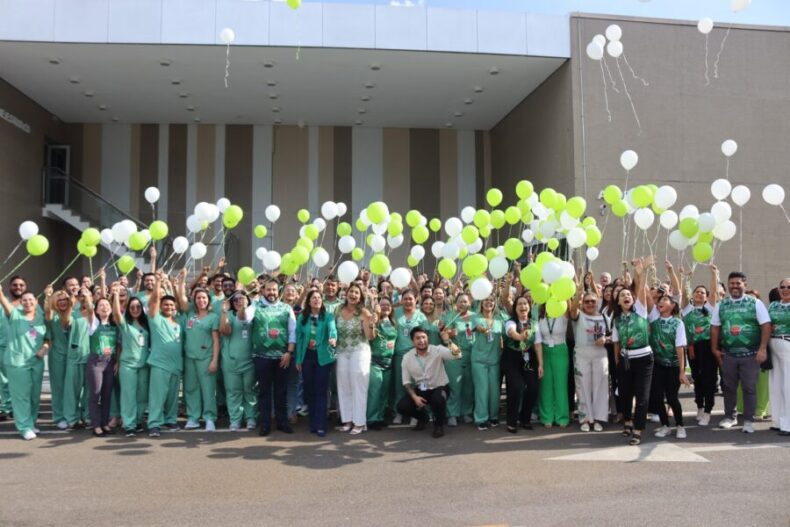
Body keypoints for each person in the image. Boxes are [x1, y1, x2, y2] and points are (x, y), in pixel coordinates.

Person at [711, 271, 771, 434]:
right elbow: (715, 327)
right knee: (729, 387)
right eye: (732, 283)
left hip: (751, 354)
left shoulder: (755, 303)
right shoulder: (721, 305)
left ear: (745, 285)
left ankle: (749, 421)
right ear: (728, 285)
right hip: (729, 354)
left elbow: (766, 325)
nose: (735, 286)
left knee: (749, 388)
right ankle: (730, 417)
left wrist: (762, 349)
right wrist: (714, 348)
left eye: (738, 283)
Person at [612, 258, 653, 445]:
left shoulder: (641, 310)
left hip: (644, 359)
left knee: (642, 396)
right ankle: (627, 421)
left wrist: (642, 270)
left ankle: (638, 429)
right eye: (622, 295)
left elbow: (641, 287)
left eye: (628, 294)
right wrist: (618, 362)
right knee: (625, 393)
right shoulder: (616, 320)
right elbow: (616, 343)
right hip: (625, 360)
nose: (626, 297)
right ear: (618, 301)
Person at [0, 285, 49, 440]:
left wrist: (45, 347)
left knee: (34, 395)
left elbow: (48, 337)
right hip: (18, 362)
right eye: (25, 300)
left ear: (36, 301)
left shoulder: (41, 317)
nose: (28, 302)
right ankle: (24, 427)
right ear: (20, 303)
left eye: (31, 300)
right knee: (21, 396)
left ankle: (31, 422)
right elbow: (5, 304)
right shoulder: (15, 315)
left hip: (36, 361)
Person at [397, 326, 461, 438]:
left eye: (424, 337)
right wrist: (415, 397)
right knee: (402, 406)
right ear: (412, 341)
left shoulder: (437, 350)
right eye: (418, 338)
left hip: (440, 387)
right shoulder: (407, 357)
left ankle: (439, 425)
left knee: (438, 399)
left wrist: (448, 341)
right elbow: (406, 382)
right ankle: (423, 417)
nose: (421, 341)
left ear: (428, 339)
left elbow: (458, 354)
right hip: (422, 388)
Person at [251, 278, 296, 436]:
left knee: (281, 391)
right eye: (268, 289)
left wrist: (289, 352)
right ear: (263, 290)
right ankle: (265, 424)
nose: (271, 293)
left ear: (279, 291)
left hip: (282, 357)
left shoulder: (286, 308)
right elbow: (244, 318)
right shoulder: (255, 306)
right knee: (264, 392)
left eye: (274, 290)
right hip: (261, 356)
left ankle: (282, 422)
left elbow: (292, 331)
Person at [146, 273, 186, 438]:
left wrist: (176, 285)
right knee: (157, 396)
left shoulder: (179, 322)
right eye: (166, 305)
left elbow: (182, 303)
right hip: (160, 364)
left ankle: (170, 420)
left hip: (176, 365)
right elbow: (154, 300)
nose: (169, 307)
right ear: (161, 306)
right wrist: (158, 283)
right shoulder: (155, 319)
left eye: (171, 305)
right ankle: (154, 424)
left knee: (172, 397)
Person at [295, 290, 337, 437]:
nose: (317, 300)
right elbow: (299, 338)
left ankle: (321, 424)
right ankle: (313, 422)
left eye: (319, 297)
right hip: (307, 356)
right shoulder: (303, 317)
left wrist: (333, 338)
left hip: (322, 357)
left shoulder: (328, 316)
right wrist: (298, 359)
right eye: (314, 298)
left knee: (321, 391)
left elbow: (332, 329)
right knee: (309, 391)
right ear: (309, 301)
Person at [681, 264, 719, 426]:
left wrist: (714, 274)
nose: (699, 294)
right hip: (692, 348)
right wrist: (686, 278)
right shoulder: (687, 309)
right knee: (697, 378)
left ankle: (708, 411)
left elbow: (714, 291)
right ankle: (700, 407)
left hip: (708, 346)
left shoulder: (710, 308)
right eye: (697, 292)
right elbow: (683, 294)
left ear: (706, 297)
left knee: (709, 379)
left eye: (702, 292)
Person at [334, 283, 375, 435]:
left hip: (359, 351)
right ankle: (347, 421)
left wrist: (371, 324)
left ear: (360, 297)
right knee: (343, 386)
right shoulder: (338, 309)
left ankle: (359, 422)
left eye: (357, 293)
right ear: (346, 294)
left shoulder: (364, 312)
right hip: (341, 351)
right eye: (351, 291)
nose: (353, 295)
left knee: (358, 387)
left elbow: (370, 336)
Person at [649, 294, 690, 439]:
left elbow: (680, 348)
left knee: (672, 398)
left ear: (673, 305)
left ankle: (680, 426)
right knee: (657, 397)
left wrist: (682, 372)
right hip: (657, 365)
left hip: (673, 366)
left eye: (664, 300)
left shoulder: (678, 323)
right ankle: (665, 426)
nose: (660, 302)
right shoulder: (653, 320)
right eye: (659, 300)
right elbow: (646, 295)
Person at [179, 287, 220, 431]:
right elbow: (182, 300)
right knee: (191, 389)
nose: (201, 300)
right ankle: (193, 417)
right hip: (190, 358)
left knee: (208, 390)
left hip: (206, 358)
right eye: (198, 298)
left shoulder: (213, 317)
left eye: (204, 298)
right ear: (194, 300)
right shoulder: (190, 314)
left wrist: (214, 360)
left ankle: (209, 418)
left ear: (208, 300)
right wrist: (181, 282)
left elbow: (216, 341)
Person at [112, 287, 150, 437]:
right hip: (128, 365)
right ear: (128, 309)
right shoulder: (125, 324)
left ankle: (138, 420)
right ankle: (129, 424)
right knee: (128, 395)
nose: (135, 309)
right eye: (132, 307)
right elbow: (116, 314)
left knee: (142, 395)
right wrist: (116, 295)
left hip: (144, 365)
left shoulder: (146, 325)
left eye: (138, 307)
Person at [503, 293, 543, 433]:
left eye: (525, 303)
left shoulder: (534, 323)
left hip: (528, 357)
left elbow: (537, 345)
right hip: (511, 357)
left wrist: (541, 364)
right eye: (519, 304)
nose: (523, 306)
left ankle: (525, 418)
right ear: (515, 308)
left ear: (529, 307)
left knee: (533, 387)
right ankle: (511, 421)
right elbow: (511, 332)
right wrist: (520, 336)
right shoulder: (510, 322)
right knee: (517, 387)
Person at [569, 290, 608, 432]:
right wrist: (579, 292)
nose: (590, 304)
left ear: (597, 302)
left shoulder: (604, 317)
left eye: (593, 301)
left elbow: (614, 335)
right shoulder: (578, 315)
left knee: (600, 387)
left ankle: (597, 418)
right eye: (587, 301)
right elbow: (572, 309)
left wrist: (606, 339)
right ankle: (585, 419)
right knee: (582, 387)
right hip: (581, 355)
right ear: (582, 304)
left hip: (600, 355)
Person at [219, 291, 258, 431]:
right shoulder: (228, 315)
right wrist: (224, 312)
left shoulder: (251, 314)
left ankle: (251, 417)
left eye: (242, 299)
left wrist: (244, 307)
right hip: (230, 361)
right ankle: (235, 419)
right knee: (233, 391)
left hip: (249, 361)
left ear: (247, 300)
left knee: (250, 390)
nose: (238, 301)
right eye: (235, 300)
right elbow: (225, 331)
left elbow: (243, 317)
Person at [391, 289, 427, 424]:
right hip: (400, 354)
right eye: (405, 299)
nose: (408, 301)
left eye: (410, 299)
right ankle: (398, 413)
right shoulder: (396, 312)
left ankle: (415, 413)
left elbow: (424, 336)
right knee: (400, 385)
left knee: (417, 385)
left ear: (416, 300)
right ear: (401, 300)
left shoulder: (421, 316)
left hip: (416, 355)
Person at [85, 296, 119, 437]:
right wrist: (88, 297)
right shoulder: (93, 324)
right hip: (96, 362)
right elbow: (89, 309)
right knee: (95, 393)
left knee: (107, 394)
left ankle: (104, 423)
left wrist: (117, 362)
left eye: (107, 305)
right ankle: (96, 425)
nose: (105, 307)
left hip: (110, 363)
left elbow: (117, 345)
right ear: (96, 310)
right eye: (101, 305)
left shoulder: (114, 325)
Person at [471, 295, 504, 430]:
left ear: (494, 303)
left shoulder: (499, 319)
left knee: (494, 390)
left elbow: (508, 332)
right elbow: (477, 327)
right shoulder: (475, 317)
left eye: (491, 300)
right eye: (486, 300)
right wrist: (483, 329)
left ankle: (493, 416)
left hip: (495, 359)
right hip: (479, 360)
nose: (488, 302)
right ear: (481, 303)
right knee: (482, 390)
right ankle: (481, 419)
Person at [443, 293, 476, 426]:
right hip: (454, 355)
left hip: (471, 355)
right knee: (455, 387)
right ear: (456, 304)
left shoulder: (475, 316)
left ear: (470, 303)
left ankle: (466, 412)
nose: (463, 304)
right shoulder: (451, 316)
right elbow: (443, 333)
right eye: (460, 302)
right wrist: (450, 334)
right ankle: (452, 413)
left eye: (465, 301)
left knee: (468, 387)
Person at [537, 298, 571, 429]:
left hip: (560, 350)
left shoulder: (563, 314)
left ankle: (562, 417)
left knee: (560, 384)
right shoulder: (540, 316)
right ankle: (547, 417)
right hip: (544, 350)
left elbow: (570, 305)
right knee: (546, 385)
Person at [0, 276, 29, 421]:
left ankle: (23, 409)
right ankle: (5, 408)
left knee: (23, 382)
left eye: (21, 285)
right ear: (9, 287)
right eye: (15, 285)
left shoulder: (29, 303)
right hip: (3, 346)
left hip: (23, 349)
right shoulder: (2, 303)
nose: (18, 287)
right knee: (3, 381)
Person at [367, 296, 396, 430]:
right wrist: (375, 319)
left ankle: (380, 416)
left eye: (388, 305)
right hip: (375, 362)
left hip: (389, 362)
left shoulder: (393, 323)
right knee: (375, 391)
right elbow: (371, 336)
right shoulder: (375, 320)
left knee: (384, 392)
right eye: (382, 304)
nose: (385, 307)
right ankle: (372, 418)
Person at [768, 278, 790, 436]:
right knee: (775, 383)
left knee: (788, 385)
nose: (785, 289)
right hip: (773, 345)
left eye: (789, 287)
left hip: (787, 343)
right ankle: (777, 421)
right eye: (782, 287)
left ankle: (788, 424)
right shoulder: (773, 305)